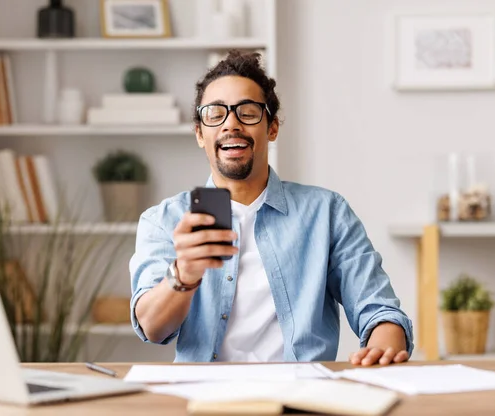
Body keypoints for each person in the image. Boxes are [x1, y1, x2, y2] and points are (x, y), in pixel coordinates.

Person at [129, 50, 413, 365]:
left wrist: (384, 344)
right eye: (215, 113)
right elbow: (152, 327)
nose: (231, 124)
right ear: (200, 133)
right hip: (203, 397)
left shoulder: (327, 213)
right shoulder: (163, 220)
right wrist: (184, 274)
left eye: (247, 112)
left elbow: (379, 309)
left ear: (272, 128)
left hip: (302, 396)